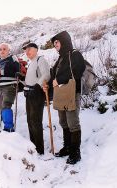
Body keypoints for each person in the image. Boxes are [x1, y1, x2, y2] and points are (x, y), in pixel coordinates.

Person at [46, 31, 85, 164]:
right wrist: (48, 85)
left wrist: (60, 79)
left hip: (72, 92)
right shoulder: (60, 58)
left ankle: (75, 153)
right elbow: (54, 77)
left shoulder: (75, 54)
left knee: (73, 122)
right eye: (54, 43)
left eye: (57, 41)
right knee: (63, 122)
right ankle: (67, 148)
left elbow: (78, 70)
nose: (55, 44)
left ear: (64, 41)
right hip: (61, 94)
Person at [21, 41, 50, 155]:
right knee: (30, 121)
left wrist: (37, 87)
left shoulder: (40, 60)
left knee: (36, 121)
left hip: (37, 94)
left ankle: (39, 149)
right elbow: (30, 79)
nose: (27, 52)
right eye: (26, 50)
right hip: (29, 94)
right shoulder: (31, 62)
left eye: (29, 49)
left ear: (35, 50)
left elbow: (46, 75)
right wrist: (22, 79)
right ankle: (33, 146)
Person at [0, 43, 20, 132]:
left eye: (4, 49)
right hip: (1, 87)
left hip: (10, 85)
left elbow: (17, 70)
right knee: (2, 106)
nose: (2, 51)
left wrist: (1, 72)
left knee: (6, 105)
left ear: (8, 50)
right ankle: (7, 126)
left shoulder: (12, 58)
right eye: (0, 49)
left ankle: (8, 128)